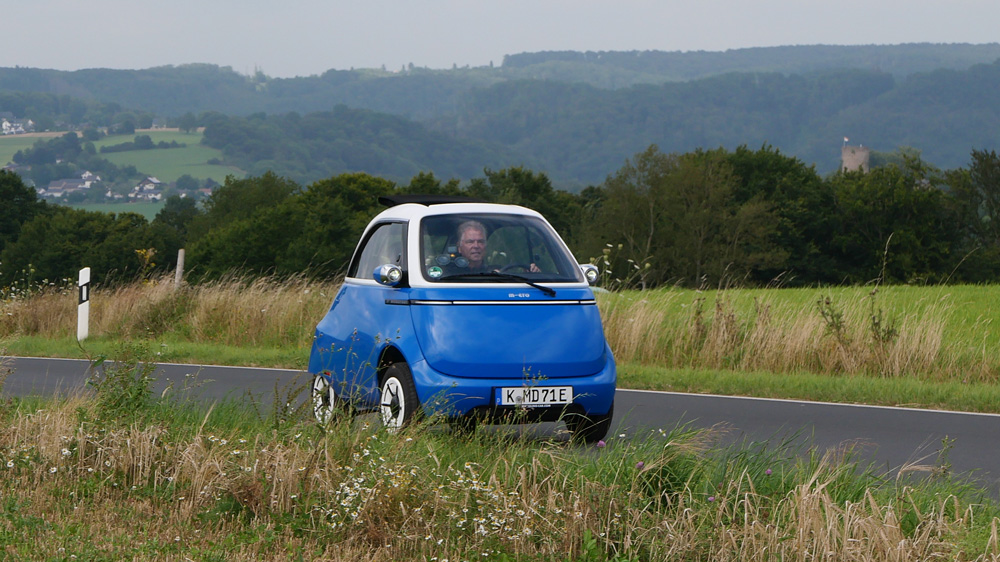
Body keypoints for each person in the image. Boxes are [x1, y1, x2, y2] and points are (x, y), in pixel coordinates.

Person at [454, 220, 540, 273]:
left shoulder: (499, 271)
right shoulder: (447, 274)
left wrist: (531, 274)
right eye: (470, 242)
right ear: (459, 247)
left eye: (480, 242)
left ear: (485, 246)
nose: (476, 246)